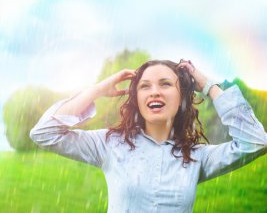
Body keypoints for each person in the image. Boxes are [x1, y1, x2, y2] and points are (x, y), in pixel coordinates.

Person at [30, 59, 267, 212]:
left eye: (165, 84)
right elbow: (44, 133)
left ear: (182, 96)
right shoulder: (111, 144)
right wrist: (99, 89)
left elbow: (255, 141)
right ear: (136, 99)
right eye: (145, 86)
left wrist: (206, 84)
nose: (155, 91)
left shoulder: (195, 157)